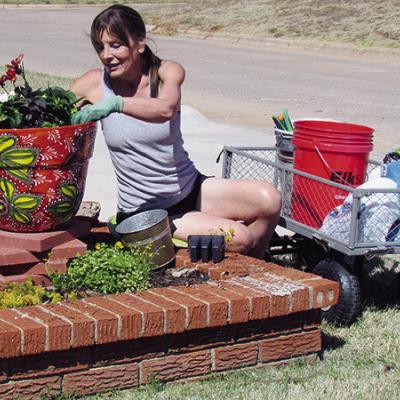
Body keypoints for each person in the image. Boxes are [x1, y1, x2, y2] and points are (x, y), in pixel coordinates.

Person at [70, 4, 281, 259]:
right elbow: (47, 111)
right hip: (146, 213)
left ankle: (251, 270)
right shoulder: (94, 84)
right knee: (239, 237)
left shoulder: (166, 71)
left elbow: (166, 109)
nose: (106, 55)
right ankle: (238, 261)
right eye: (100, 47)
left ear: (139, 43)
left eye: (116, 45)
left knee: (270, 200)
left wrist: (117, 104)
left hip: (189, 188)